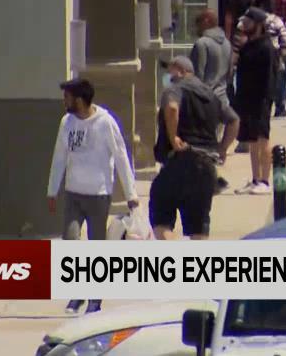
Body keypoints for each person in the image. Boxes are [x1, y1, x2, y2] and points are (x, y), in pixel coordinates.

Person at [46, 78, 139, 315]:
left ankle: (95, 299)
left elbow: (120, 157)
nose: (64, 101)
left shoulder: (104, 122)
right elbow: (59, 155)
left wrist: (131, 194)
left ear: (78, 99)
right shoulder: (66, 122)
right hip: (73, 193)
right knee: (71, 241)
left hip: (98, 195)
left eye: (67, 96)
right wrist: (52, 189)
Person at [151, 56, 239, 240]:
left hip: (178, 161)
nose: (168, 75)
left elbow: (172, 108)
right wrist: (223, 148)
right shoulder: (211, 95)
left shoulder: (175, 88)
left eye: (171, 70)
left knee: (161, 218)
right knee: (199, 227)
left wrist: (174, 138)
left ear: (181, 71)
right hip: (206, 166)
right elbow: (234, 120)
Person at [233, 7, 278, 195]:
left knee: (262, 139)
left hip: (260, 99)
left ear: (258, 25)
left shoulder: (267, 48)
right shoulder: (248, 45)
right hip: (246, 98)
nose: (245, 25)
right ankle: (255, 178)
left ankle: (265, 180)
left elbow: (270, 78)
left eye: (249, 22)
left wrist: (266, 100)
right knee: (251, 140)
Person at [232, 0, 286, 118]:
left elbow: (237, 43)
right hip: (274, 55)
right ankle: (279, 108)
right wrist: (281, 56)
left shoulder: (245, 20)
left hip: (248, 58)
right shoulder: (276, 20)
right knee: (277, 82)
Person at [190, 10, 232, 107]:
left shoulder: (202, 44)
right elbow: (229, 74)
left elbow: (198, 75)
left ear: (206, 21)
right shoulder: (227, 43)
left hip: (206, 102)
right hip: (223, 100)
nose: (197, 29)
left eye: (198, 23)